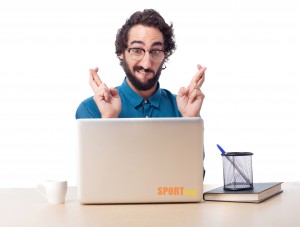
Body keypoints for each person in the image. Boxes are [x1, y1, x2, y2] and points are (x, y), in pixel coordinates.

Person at [75, 9, 206, 119]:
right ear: (121, 52)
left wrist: (190, 119)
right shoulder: (91, 108)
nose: (147, 63)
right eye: (137, 50)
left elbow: (193, 151)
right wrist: (108, 118)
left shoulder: (183, 108)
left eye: (155, 51)